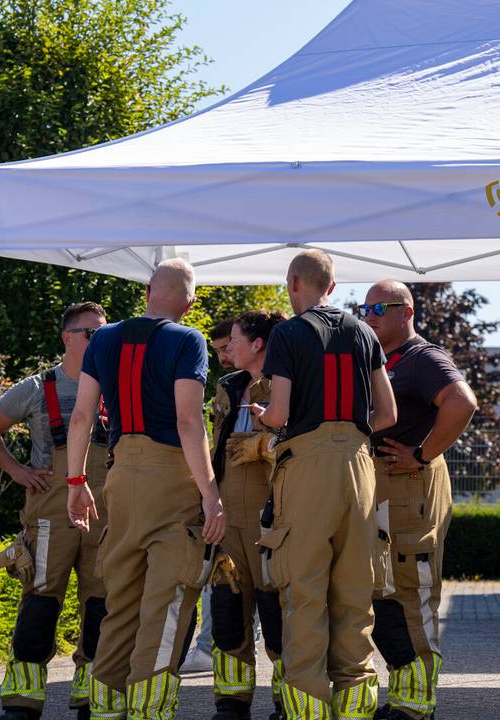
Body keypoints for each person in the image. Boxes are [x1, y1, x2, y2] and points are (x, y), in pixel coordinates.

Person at [65, 258, 228, 718]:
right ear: (190, 303)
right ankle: (148, 710)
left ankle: (105, 707)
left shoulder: (104, 339)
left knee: (121, 602)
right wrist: (211, 496)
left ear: (147, 292)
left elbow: (81, 417)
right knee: (168, 599)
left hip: (119, 475)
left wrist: (76, 482)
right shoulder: (187, 339)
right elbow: (188, 422)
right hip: (171, 475)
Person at [253, 249, 397, 720]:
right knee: (355, 595)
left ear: (294, 283)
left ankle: (307, 710)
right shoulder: (363, 332)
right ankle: (355, 706)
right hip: (359, 467)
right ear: (331, 287)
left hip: (307, 465)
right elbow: (389, 413)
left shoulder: (287, 334)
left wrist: (264, 421)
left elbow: (278, 413)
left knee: (305, 594)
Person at [0, 302, 110, 720]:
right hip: (50, 507)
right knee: (41, 601)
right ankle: (23, 702)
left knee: (101, 603)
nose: (100, 341)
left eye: (105, 333)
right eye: (92, 334)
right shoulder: (38, 387)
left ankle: (91, 696)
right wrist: (16, 470)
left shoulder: (116, 386)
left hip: (105, 508)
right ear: (68, 338)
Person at [361, 280, 477, 720]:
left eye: (379, 307)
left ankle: (415, 703)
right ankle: (401, 695)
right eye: (364, 307)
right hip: (381, 487)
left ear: (406, 312)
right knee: (382, 593)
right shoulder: (380, 360)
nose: (369, 315)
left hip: (409, 488)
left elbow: (462, 402)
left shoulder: (422, 357)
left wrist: (424, 453)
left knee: (410, 592)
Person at [205, 310, 288, 720]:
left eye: (233, 339)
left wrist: (262, 446)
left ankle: (284, 702)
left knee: (276, 615)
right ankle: (231, 704)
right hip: (227, 516)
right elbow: (214, 448)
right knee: (227, 611)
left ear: (257, 343)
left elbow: (308, 447)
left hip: (272, 519)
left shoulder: (289, 383)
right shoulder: (229, 386)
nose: (226, 348)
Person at [184, 314, 238, 675]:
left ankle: (211, 646)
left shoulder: (270, 384)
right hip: (225, 487)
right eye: (217, 350)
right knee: (218, 570)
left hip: (258, 494)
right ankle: (209, 646)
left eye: (227, 348)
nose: (223, 357)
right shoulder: (226, 385)